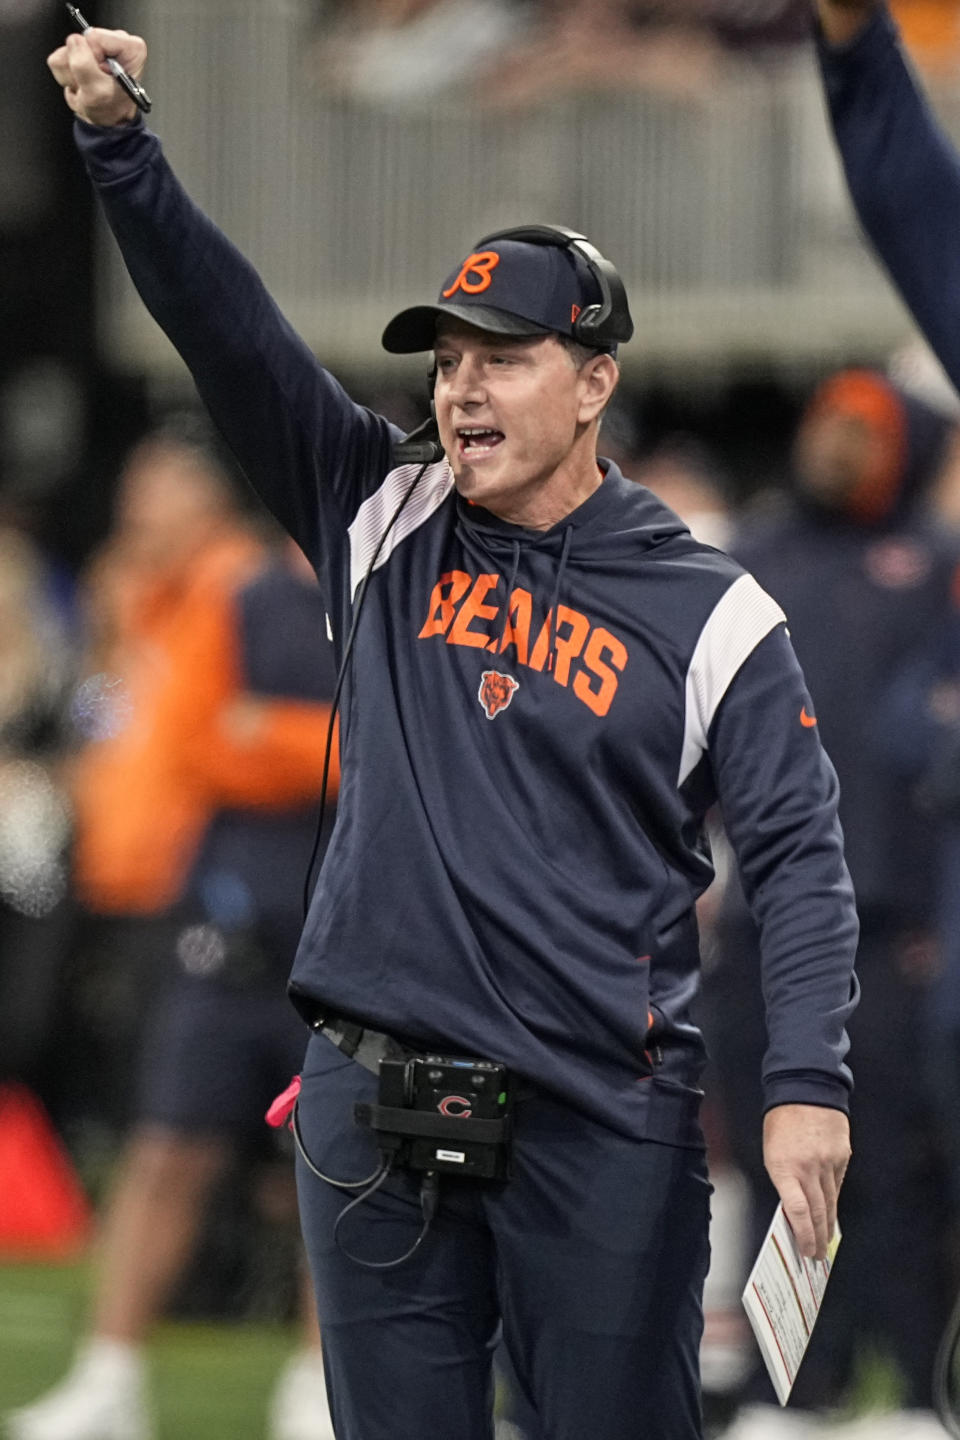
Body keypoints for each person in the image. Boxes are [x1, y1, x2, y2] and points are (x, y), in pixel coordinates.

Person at [46, 28, 859, 1440]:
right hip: (376, 1108)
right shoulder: (382, 517)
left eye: (506, 358)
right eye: (447, 360)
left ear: (595, 381)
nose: (462, 388)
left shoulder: (713, 608)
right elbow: (227, 332)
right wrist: (123, 148)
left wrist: (802, 1090)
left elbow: (798, 862)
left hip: (602, 1117)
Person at [5, 433, 340, 1440]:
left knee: (336, 1159)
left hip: (319, 913)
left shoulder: (280, 586)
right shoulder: (179, 594)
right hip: (213, 907)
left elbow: (351, 743)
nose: (138, 505)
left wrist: (262, 736)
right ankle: (110, 1377)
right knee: (165, 1144)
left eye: (159, 487)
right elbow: (184, 731)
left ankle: (318, 1382)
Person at [704, 368, 957, 1440]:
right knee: (780, 1170)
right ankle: (788, 1392)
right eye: (829, 423)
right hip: (764, 919)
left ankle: (907, 1387)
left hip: (893, 926)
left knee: (897, 1170)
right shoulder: (749, 559)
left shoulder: (933, 572)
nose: (839, 444)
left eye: (865, 428)